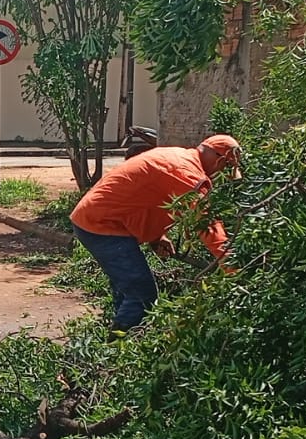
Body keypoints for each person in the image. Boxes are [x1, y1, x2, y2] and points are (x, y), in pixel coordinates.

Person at [68, 134, 242, 332]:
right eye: (226, 167)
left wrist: (156, 237)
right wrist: (233, 267)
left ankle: (119, 338)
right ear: (220, 160)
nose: (223, 173)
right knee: (142, 294)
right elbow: (207, 225)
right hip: (102, 226)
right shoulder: (187, 174)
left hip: (97, 219)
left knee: (129, 289)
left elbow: (148, 197)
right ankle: (119, 344)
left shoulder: (179, 157)